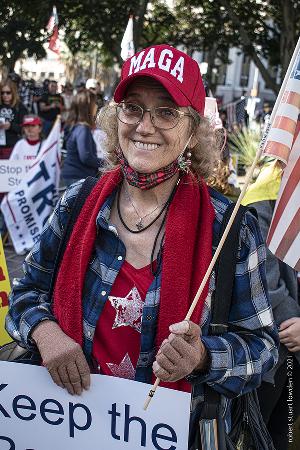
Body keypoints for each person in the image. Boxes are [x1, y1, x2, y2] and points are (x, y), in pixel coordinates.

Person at [5, 44, 278, 448]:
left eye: (166, 112)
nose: (145, 127)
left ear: (192, 131)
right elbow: (25, 295)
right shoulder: (78, 202)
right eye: (133, 108)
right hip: (66, 425)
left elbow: (263, 349)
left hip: (173, 433)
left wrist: (202, 357)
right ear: (117, 119)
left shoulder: (230, 230)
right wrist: (47, 334)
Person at [243, 160, 300, 450]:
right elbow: (268, 282)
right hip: (277, 348)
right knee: (264, 432)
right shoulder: (263, 199)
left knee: (284, 430)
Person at [61, 90, 102, 186]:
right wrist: (105, 163)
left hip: (75, 175)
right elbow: (86, 157)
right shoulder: (83, 129)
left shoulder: (75, 126)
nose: (96, 106)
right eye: (94, 103)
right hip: (78, 176)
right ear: (87, 107)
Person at [0, 79, 28, 159]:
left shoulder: (20, 107)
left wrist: (10, 126)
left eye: (8, 92)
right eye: (2, 93)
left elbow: (24, 129)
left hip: (11, 147)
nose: (5, 95)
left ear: (13, 92)